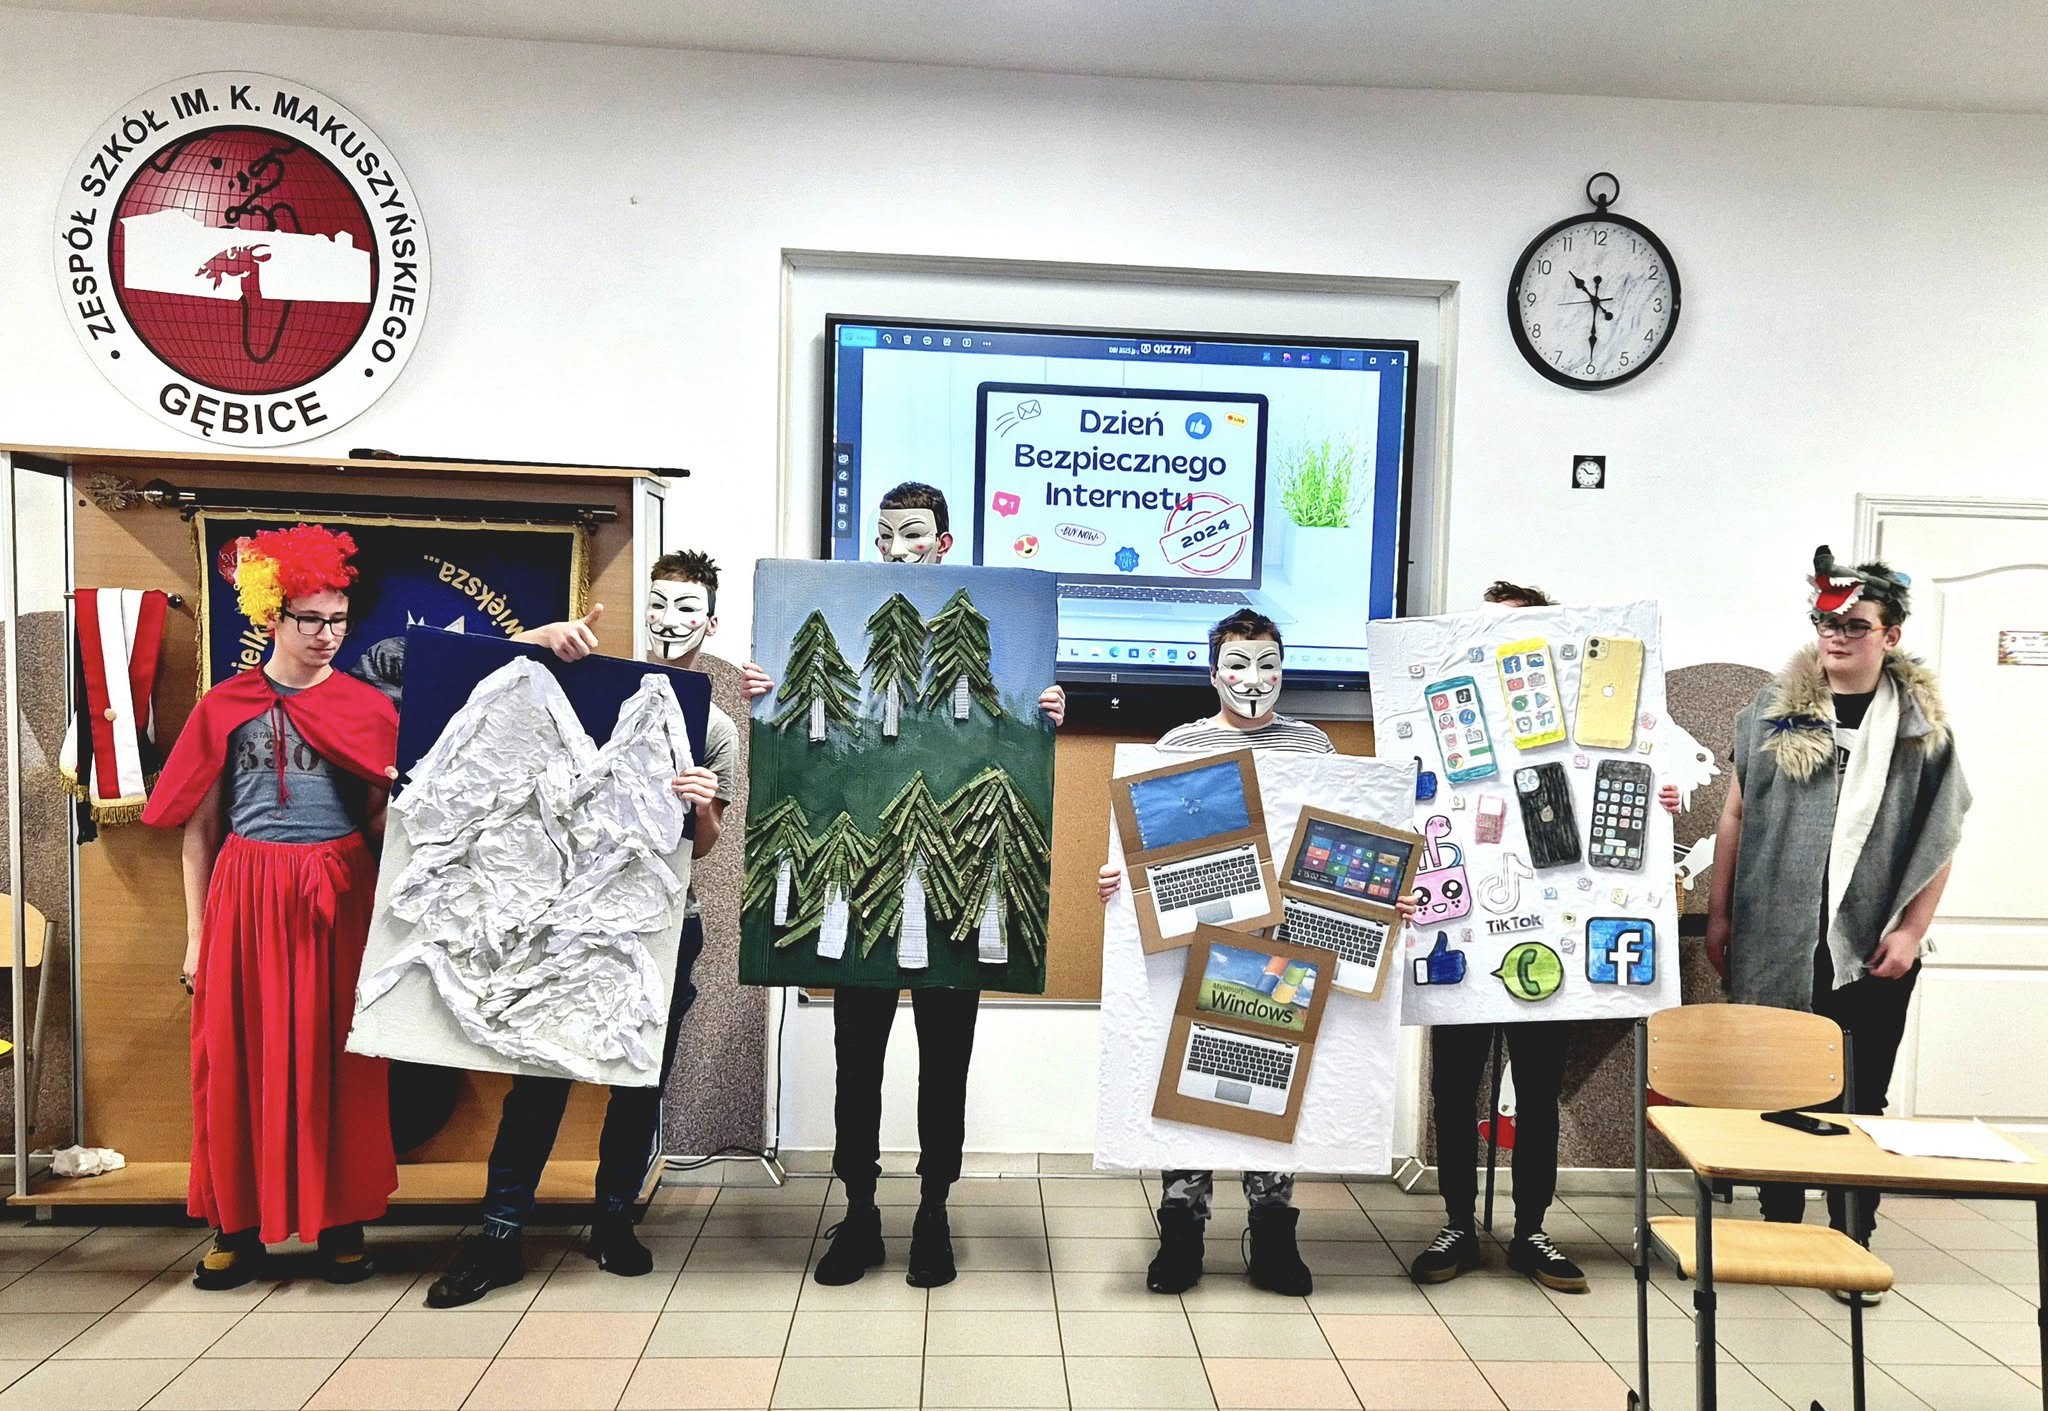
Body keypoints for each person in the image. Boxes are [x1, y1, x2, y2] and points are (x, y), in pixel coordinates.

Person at [742, 482, 1065, 1289]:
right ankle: (859, 1210)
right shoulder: (849, 624)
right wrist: (765, 693)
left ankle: (932, 1211)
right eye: (885, 533)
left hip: (948, 899)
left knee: (944, 1066)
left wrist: (1044, 709)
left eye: (914, 533)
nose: (897, 547)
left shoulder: (984, 634)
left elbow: (1004, 732)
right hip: (864, 898)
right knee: (857, 1064)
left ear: (944, 541)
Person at [426, 552, 738, 1306]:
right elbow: (466, 678)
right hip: (561, 916)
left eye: (686, 607)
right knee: (539, 1077)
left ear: (710, 622)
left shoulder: (715, 723)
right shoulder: (586, 681)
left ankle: (614, 1219)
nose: (669, 620)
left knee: (638, 1082)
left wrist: (702, 804)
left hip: (660, 925)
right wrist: (536, 639)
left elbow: (704, 846)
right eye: (658, 603)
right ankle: (501, 1232)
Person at [1096, 609, 1417, 1298]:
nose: (1253, 678)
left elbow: (1344, 839)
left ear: (1282, 670)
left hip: (1288, 936)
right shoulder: (1180, 744)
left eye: (1267, 663)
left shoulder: (1312, 744)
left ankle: (1272, 1228)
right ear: (1213, 674)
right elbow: (1151, 834)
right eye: (1238, 664)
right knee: (1193, 1067)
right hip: (1200, 934)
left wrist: (1386, 897)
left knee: (1276, 1065)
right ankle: (1182, 1225)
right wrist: (1119, 880)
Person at [1695, 547, 1969, 1264]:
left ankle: (1853, 1236)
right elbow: (1735, 815)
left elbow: (1941, 835)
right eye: (1826, 622)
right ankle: (1782, 1228)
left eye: (1855, 624)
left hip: (1871, 944)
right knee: (1780, 1091)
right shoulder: (1771, 712)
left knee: (1861, 1097)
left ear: (1890, 634)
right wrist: (1720, 917)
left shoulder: (1919, 728)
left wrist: (1912, 930)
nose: (1836, 635)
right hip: (1777, 935)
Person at [145, 525, 401, 1289]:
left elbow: (381, 823)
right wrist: (196, 936)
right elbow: (200, 829)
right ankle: (237, 1225)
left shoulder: (367, 708)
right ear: (271, 615)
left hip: (340, 892)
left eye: (338, 620)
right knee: (235, 1062)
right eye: (310, 619)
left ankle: (340, 1219)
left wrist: (410, 807)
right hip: (247, 895)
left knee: (341, 1061)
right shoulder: (225, 705)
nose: (327, 635)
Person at [1409, 579, 1586, 1294]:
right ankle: (1457, 1221)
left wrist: (1660, 798)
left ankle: (1531, 1229)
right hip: (1460, 937)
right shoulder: (1441, 725)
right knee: (1454, 1090)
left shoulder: (1574, 733)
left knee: (1538, 1094)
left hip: (1543, 947)